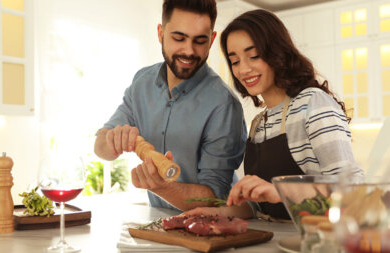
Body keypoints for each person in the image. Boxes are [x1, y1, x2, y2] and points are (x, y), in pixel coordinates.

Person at [184, 9, 363, 220]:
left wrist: (282, 191)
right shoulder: (258, 124)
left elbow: (352, 191)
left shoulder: (312, 103)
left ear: (277, 52)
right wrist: (215, 213)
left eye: (254, 56)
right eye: (235, 61)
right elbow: (260, 208)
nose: (243, 69)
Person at [94, 0, 247, 211]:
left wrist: (162, 187)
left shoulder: (224, 105)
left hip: (211, 227)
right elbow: (100, 145)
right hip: (160, 222)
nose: (189, 51)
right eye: (178, 38)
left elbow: (214, 198)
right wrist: (112, 142)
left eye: (200, 41)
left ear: (211, 40)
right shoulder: (142, 83)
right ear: (160, 33)